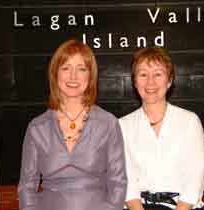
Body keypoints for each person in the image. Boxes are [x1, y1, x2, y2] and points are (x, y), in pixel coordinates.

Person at [18, 39, 127, 210]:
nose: (73, 76)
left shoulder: (108, 124)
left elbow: (118, 183)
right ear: (55, 73)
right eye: (66, 68)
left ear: (90, 76)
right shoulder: (37, 127)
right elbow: (26, 187)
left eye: (81, 69)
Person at [119, 47, 204, 210]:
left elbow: (194, 179)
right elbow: (127, 181)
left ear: (169, 81)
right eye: (143, 74)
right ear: (134, 81)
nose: (150, 82)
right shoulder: (123, 125)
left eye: (158, 74)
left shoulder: (189, 121)